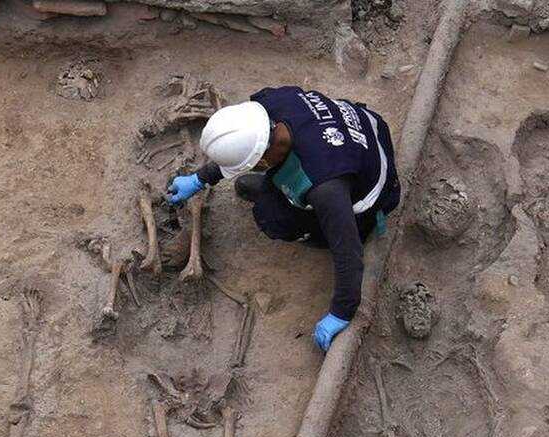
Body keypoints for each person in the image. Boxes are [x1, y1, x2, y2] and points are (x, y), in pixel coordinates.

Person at [166, 87, 400, 352]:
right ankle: (284, 184)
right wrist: (200, 178)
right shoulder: (274, 103)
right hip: (365, 134)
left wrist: (342, 312)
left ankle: (309, 226)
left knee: (272, 216)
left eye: (255, 164)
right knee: (269, 185)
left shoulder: (325, 187)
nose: (253, 169)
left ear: (267, 154)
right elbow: (252, 143)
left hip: (371, 191)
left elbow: (348, 250)